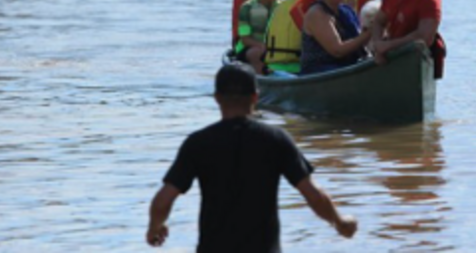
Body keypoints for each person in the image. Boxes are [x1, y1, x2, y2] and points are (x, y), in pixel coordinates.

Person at [146, 62, 358, 251]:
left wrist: (155, 228)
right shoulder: (275, 139)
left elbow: (163, 200)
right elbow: (313, 194)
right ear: (255, 97)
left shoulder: (198, 143)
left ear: (217, 98)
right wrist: (339, 222)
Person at [371, 0, 446, 79]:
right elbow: (379, 21)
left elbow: (424, 38)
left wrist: (388, 46)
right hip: (393, 52)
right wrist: (378, 45)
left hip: (418, 54)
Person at [300, 0, 371, 75]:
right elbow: (337, 51)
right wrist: (368, 33)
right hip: (318, 71)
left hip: (346, 66)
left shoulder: (347, 11)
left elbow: (359, 42)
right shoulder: (316, 13)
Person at [264, 0, 314, 74]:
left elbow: (266, 38)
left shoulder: (277, 9)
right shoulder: (308, 6)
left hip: (273, 67)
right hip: (298, 68)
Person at [235, 0, 281, 74]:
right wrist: (262, 45)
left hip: (273, 47)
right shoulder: (247, 8)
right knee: (256, 53)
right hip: (248, 48)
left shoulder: (281, 6)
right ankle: (259, 83)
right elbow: (245, 39)